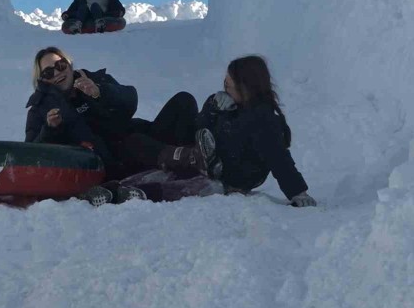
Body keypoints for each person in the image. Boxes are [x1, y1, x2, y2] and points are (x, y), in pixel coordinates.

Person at [119, 55, 317, 207]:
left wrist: (298, 192)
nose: (225, 88)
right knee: (183, 100)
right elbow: (200, 127)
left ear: (246, 87)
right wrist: (213, 107)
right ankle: (184, 156)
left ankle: (128, 171)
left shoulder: (263, 121)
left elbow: (279, 158)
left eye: (229, 86)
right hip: (202, 153)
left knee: (136, 142)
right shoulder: (231, 105)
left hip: (226, 171)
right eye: (225, 84)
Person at [25, 46, 143, 205]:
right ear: (42, 79)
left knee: (144, 133)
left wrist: (100, 92)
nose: (57, 72)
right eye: (48, 72)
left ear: (69, 64)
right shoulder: (40, 108)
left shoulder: (94, 79)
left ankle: (175, 159)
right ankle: (110, 190)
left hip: (123, 148)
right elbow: (31, 155)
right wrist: (50, 129)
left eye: (60, 65)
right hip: (88, 164)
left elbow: (130, 101)